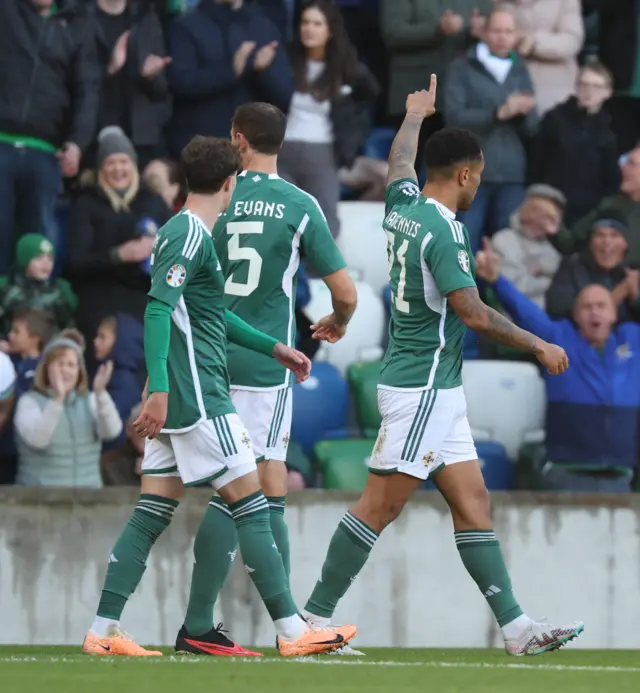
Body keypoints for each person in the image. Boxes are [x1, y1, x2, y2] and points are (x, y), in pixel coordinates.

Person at [302, 78, 583, 657]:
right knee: (379, 507)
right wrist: (539, 345)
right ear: (465, 175)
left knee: (473, 503)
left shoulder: (403, 205)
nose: (478, 184)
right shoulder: (445, 232)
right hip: (422, 386)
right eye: (477, 175)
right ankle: (311, 621)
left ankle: (517, 628)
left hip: (439, 387)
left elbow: (400, 158)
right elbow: (472, 312)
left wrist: (413, 117)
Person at [83, 135, 356, 658]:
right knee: (252, 504)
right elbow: (159, 310)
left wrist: (274, 346)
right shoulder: (187, 234)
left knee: (152, 511)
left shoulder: (190, 232)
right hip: (199, 395)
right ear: (229, 183)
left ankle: (102, 629)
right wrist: (159, 388)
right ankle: (294, 632)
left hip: (184, 394)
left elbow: (209, 314)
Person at [175, 101, 357, 656]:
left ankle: (290, 622)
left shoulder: (213, 197)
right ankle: (219, 623)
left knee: (266, 485)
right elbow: (345, 291)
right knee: (247, 488)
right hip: (262, 366)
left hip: (203, 356)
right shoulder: (299, 204)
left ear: (237, 140)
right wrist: (337, 321)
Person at [476, 241, 640, 492]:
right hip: (566, 472)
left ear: (614, 314)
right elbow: (525, 313)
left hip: (619, 476)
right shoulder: (559, 338)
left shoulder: (632, 340)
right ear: (575, 315)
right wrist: (497, 279)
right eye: (587, 307)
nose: (594, 312)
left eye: (601, 306)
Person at [65, 126, 171, 373]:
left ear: (133, 164)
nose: (118, 169)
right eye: (110, 163)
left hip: (143, 294)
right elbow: (76, 263)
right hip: (100, 291)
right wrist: (120, 255)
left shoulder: (153, 202)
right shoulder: (87, 203)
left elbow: (176, 256)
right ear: (101, 168)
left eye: (123, 161)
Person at [278, 0, 379, 237]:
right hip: (283, 151)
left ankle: (318, 275)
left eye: (317, 23)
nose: (309, 28)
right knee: (281, 224)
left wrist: (351, 134)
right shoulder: (286, 60)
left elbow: (369, 95)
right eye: (305, 22)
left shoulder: (345, 66)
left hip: (322, 152)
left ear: (329, 30)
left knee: (324, 225)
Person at [443, 7, 539, 251]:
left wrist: (524, 113)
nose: (502, 37)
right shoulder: (461, 67)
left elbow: (532, 128)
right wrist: (498, 113)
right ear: (484, 33)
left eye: (508, 31)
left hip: (511, 175)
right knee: (464, 248)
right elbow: (453, 118)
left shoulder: (520, 69)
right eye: (496, 30)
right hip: (472, 174)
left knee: (507, 252)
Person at [14, 338, 121, 487]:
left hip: (88, 500)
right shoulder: (29, 402)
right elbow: (38, 440)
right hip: (39, 502)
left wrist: (101, 393)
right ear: (46, 368)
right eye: (59, 364)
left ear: (79, 371)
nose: (65, 370)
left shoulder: (90, 400)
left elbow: (112, 432)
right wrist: (57, 399)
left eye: (71, 365)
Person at [528, 61, 619, 225]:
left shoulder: (610, 130)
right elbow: (536, 163)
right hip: (550, 206)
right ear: (576, 87)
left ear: (607, 92)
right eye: (584, 85)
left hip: (588, 213)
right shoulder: (555, 118)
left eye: (596, 86)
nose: (589, 92)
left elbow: (610, 178)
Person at [545, 209, 640, 322]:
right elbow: (557, 309)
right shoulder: (572, 267)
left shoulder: (633, 273)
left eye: (614, 235)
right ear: (590, 243)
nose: (607, 242)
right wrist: (617, 295)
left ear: (625, 244)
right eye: (600, 235)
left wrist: (635, 298)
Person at [491, 185, 563, 309]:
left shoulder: (552, 252)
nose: (545, 221)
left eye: (551, 217)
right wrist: (549, 281)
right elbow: (513, 289)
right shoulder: (504, 240)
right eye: (541, 213)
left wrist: (544, 270)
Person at [0, 234, 78, 341]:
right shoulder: (6, 288)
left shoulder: (58, 290)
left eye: (50, 258)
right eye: (39, 258)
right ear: (24, 260)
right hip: (12, 349)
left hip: (48, 351)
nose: (46, 263)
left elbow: (67, 324)